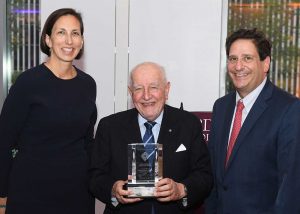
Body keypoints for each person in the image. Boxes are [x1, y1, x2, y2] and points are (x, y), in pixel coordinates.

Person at [0, 8, 97, 214]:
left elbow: (87, 143)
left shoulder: (88, 84)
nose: (68, 40)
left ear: (81, 41)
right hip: (31, 192)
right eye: (61, 32)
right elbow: (4, 140)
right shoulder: (28, 82)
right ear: (48, 40)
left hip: (77, 193)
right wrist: (1, 196)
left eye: (75, 33)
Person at [89, 61, 213, 213]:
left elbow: (204, 175)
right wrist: (114, 190)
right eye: (138, 88)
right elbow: (95, 177)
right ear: (130, 92)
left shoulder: (188, 124)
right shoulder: (109, 127)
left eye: (153, 87)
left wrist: (181, 190)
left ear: (166, 90)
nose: (146, 96)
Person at [205, 28, 300, 213]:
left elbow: (291, 187)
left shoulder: (289, 109)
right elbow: (215, 179)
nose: (238, 66)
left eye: (247, 58)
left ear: (265, 64)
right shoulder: (221, 107)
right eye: (233, 59)